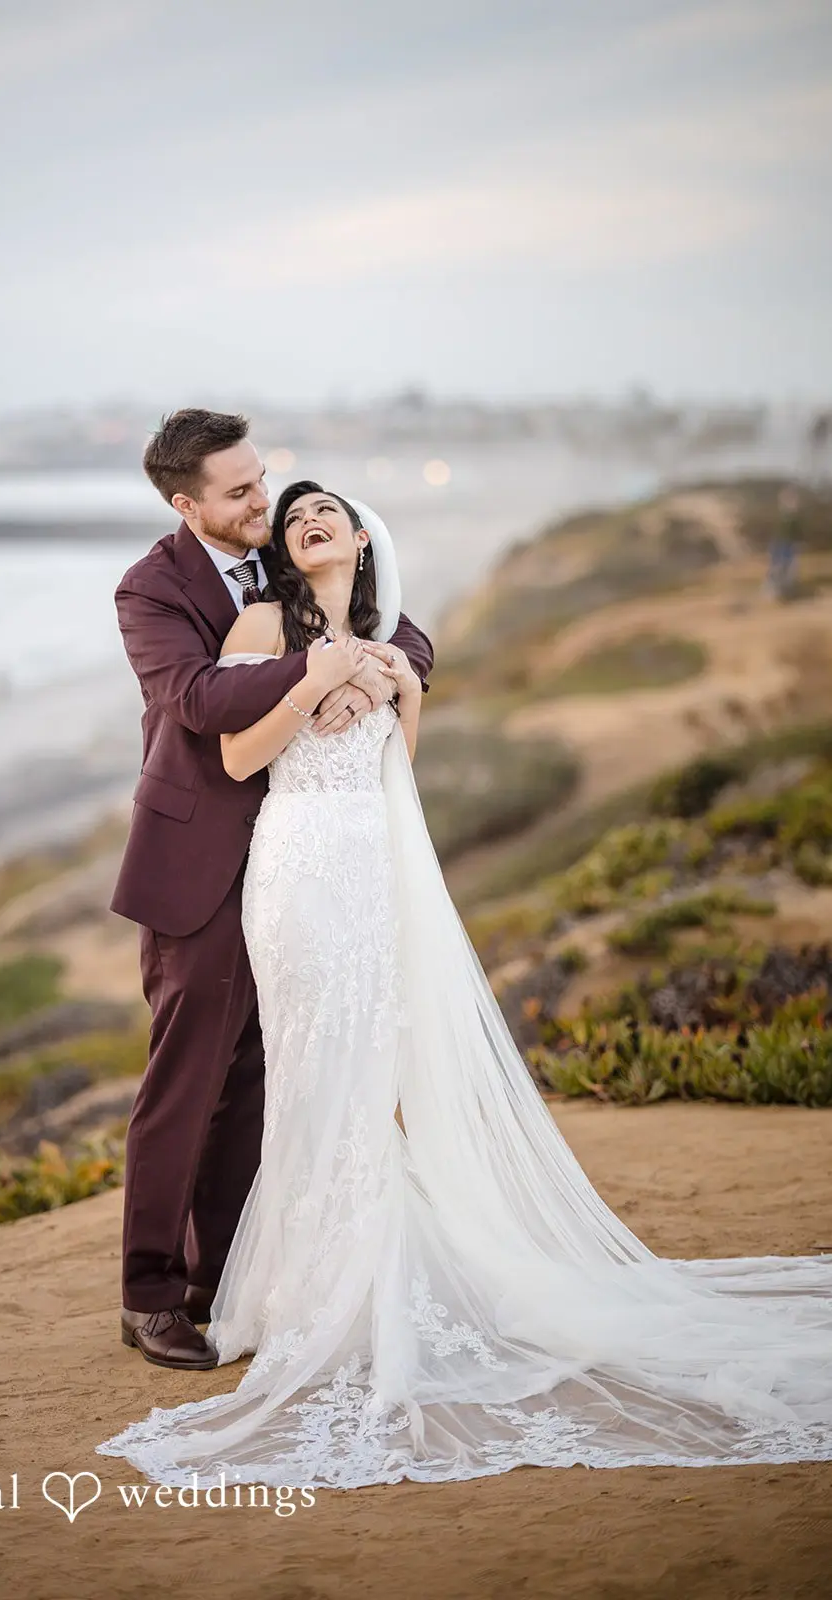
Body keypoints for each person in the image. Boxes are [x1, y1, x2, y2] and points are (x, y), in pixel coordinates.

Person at [98, 479, 832, 1489]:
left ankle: (348, 1277)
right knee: (301, 1068)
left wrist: (387, 683)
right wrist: (311, 681)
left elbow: (395, 769)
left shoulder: (399, 642)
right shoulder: (263, 619)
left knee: (359, 1067)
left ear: (360, 541)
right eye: (290, 513)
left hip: (365, 863)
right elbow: (235, 754)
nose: (303, 520)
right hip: (292, 868)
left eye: (325, 515)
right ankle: (285, 1287)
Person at [110, 411, 433, 1372]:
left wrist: (377, 677)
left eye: (262, 479)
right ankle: (151, 1293)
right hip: (202, 863)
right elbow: (199, 700)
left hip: (309, 855)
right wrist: (312, 674)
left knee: (264, 1074)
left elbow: (401, 628)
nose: (264, 500)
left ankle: (228, 1277)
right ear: (186, 504)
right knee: (189, 1079)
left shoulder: (291, 553)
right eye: (240, 491)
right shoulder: (150, 589)